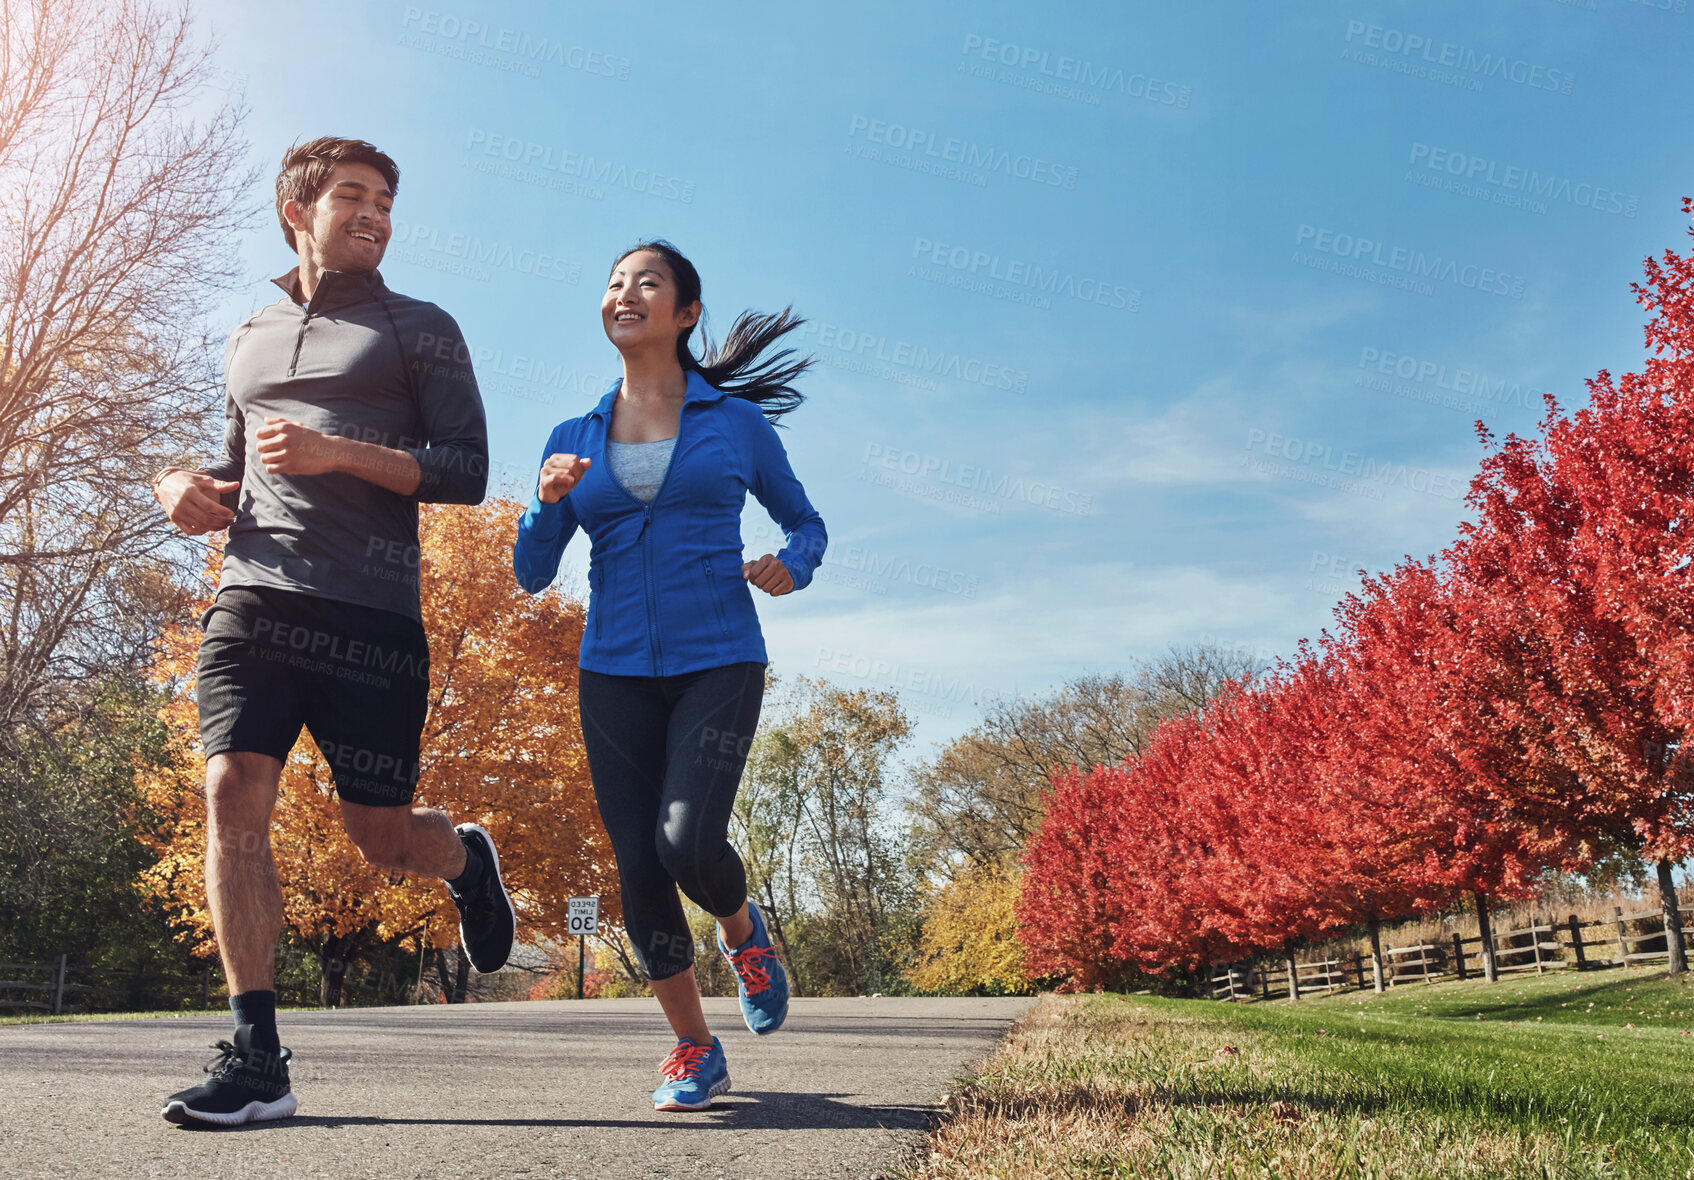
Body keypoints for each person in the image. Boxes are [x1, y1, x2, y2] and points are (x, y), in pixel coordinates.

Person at [150, 137, 516, 1127]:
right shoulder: (249, 335)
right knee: (232, 788)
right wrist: (179, 486)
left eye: (386, 199)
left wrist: (334, 452)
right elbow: (235, 474)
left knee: (379, 835)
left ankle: (463, 859)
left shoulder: (419, 327)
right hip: (255, 594)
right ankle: (258, 1057)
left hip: (371, 611)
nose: (375, 213)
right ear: (296, 211)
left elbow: (465, 469)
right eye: (352, 195)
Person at [513, 239, 826, 1111]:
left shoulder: (733, 424)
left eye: (646, 282)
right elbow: (531, 572)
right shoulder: (572, 438)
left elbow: (807, 522)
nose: (625, 293)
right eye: (613, 282)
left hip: (719, 656)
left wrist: (791, 566)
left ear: (685, 313)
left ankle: (744, 933)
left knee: (684, 840)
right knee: (638, 868)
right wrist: (544, 504)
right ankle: (693, 1048)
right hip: (611, 671)